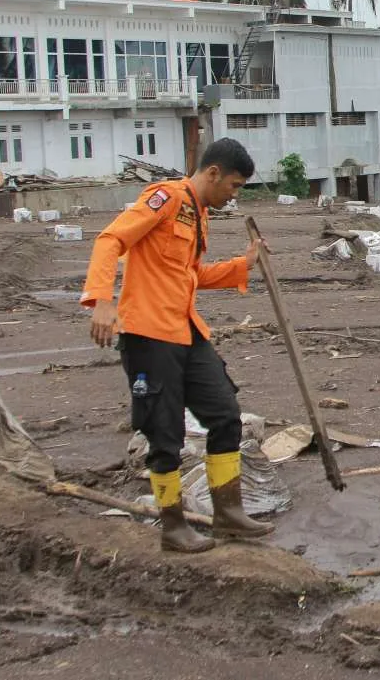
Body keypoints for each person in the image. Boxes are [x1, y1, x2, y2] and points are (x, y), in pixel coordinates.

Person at [80, 137, 273, 553]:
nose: (234, 196)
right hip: (148, 336)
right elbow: (109, 241)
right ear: (214, 173)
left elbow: (190, 275)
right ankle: (173, 527)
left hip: (186, 333)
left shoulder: (198, 214)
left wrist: (243, 265)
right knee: (163, 433)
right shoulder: (165, 198)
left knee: (225, 414)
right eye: (235, 186)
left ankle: (228, 512)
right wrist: (102, 300)